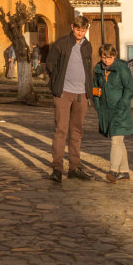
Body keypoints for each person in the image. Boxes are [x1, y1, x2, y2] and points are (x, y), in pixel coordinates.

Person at [46, 15, 94, 183]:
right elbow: (50, 64)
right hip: (64, 93)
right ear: (73, 27)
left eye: (83, 30)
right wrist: (57, 82)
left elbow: (89, 68)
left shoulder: (88, 46)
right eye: (78, 29)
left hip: (82, 95)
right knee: (61, 130)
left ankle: (74, 167)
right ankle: (57, 169)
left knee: (76, 131)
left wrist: (88, 91)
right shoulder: (61, 44)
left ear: (86, 29)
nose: (80, 32)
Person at [93, 43, 133, 183]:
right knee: (117, 140)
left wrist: (122, 104)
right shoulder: (98, 69)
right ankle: (124, 171)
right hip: (105, 110)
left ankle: (113, 170)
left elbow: (129, 89)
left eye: (110, 58)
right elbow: (95, 87)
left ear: (114, 56)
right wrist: (98, 105)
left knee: (116, 140)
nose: (107, 60)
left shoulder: (122, 69)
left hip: (120, 110)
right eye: (104, 57)